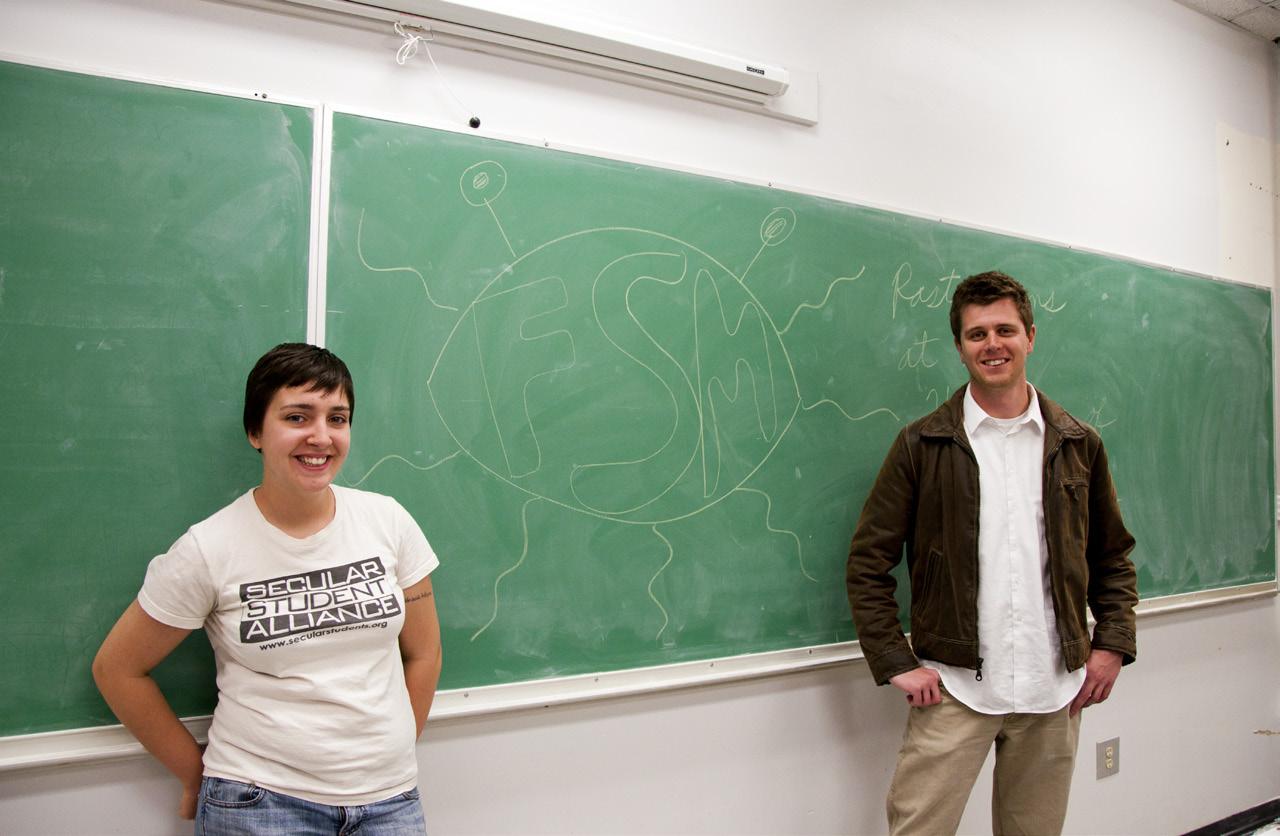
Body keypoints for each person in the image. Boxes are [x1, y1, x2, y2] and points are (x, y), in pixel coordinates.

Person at [93, 343, 442, 834]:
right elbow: (118, 669)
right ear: (255, 431)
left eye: (337, 419)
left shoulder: (388, 521)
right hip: (259, 804)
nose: (321, 436)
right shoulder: (209, 548)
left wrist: (394, 751)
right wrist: (195, 775)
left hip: (391, 803)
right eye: (297, 417)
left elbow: (424, 654)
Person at [846, 271, 1138, 835]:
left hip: (1053, 690)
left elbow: (1112, 557)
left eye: (1005, 330)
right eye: (976, 334)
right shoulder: (921, 445)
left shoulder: (1078, 444)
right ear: (960, 348)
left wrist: (1113, 645)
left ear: (1030, 336)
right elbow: (867, 564)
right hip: (955, 689)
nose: (992, 345)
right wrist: (894, 660)